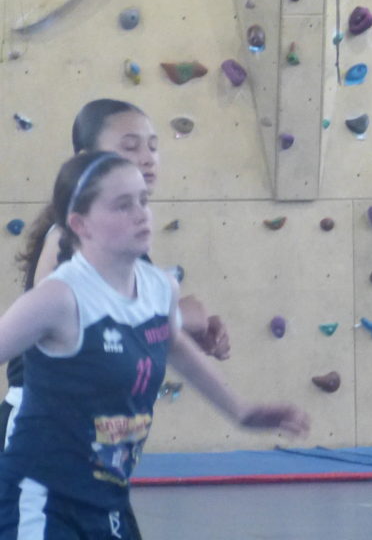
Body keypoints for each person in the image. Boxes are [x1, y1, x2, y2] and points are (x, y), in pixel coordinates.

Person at [0, 151, 308, 538]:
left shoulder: (160, 288)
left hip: (107, 500)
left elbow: (173, 344)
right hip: (41, 499)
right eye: (122, 205)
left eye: (143, 200)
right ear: (81, 224)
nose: (141, 214)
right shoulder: (60, 298)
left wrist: (241, 411)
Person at [4, 101, 229, 444]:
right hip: (43, 424)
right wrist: (178, 317)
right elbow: (72, 326)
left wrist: (178, 334)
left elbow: (127, 336)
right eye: (130, 147)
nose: (147, 158)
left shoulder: (124, 242)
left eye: (153, 146)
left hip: (96, 425)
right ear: (87, 159)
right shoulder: (68, 238)